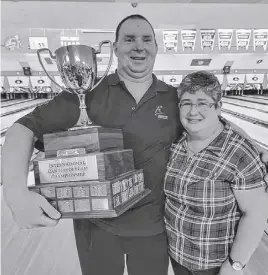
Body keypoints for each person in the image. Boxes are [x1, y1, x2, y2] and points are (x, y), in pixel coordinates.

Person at [2, 15, 268, 275]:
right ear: (115, 48)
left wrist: (257, 150)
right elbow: (22, 128)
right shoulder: (84, 95)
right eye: (129, 39)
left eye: (146, 39)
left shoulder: (173, 99)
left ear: (155, 47)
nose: (138, 46)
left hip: (155, 231)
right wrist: (15, 195)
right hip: (96, 229)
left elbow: (216, 123)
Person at [164, 71, 268, 275]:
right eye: (186, 103)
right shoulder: (176, 143)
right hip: (178, 258)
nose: (193, 111)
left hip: (216, 266)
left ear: (219, 107)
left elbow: (256, 214)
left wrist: (234, 265)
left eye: (203, 103)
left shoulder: (240, 153)